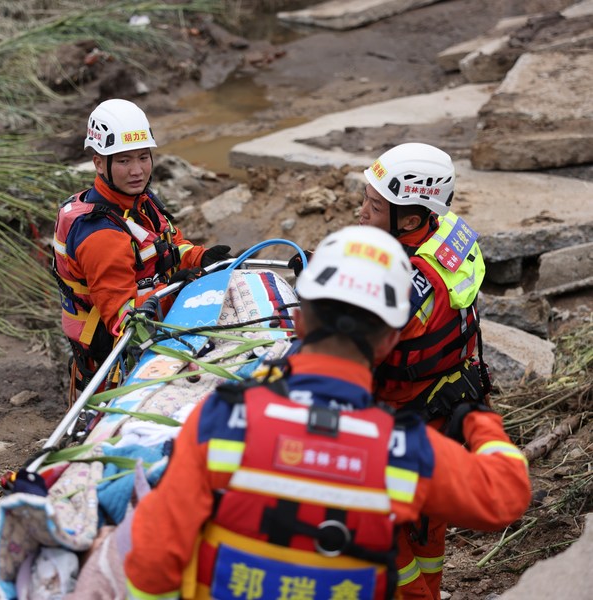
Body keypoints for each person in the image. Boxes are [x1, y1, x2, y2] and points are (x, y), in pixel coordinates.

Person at [124, 225, 530, 600]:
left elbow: (152, 566)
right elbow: (506, 497)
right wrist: (479, 420)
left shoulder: (221, 420)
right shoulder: (405, 451)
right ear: (389, 341)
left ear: (298, 323)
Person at [360, 143, 487, 599]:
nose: (361, 213)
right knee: (426, 528)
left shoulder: (407, 287)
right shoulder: (446, 231)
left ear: (410, 219)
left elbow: (356, 351)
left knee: (374, 527)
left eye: (374, 206)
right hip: (447, 402)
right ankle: (429, 588)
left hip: (404, 415)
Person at [52, 98, 232, 391]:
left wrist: (200, 258)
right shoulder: (100, 234)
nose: (137, 170)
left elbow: (169, 246)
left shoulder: (138, 202)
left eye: (143, 157)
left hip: (153, 320)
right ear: (99, 163)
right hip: (113, 360)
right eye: (124, 160)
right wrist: (178, 290)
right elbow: (125, 322)